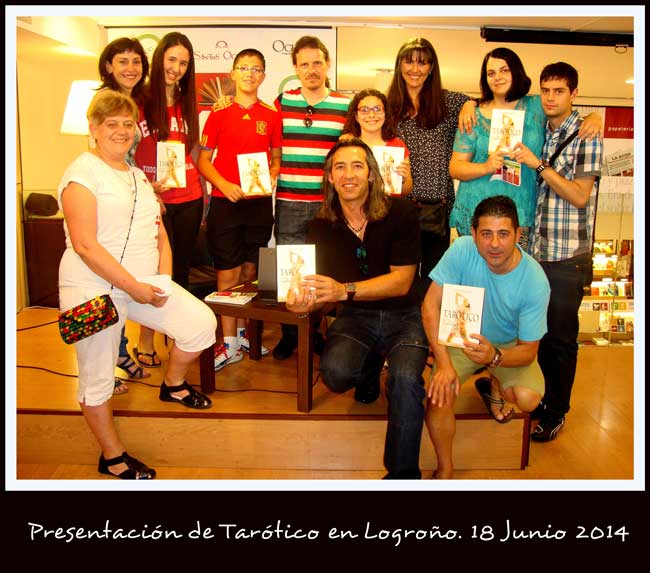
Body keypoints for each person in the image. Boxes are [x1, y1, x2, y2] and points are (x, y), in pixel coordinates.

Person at [57, 90, 216, 479]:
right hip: (93, 289)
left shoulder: (136, 175)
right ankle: (112, 457)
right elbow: (85, 245)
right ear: (94, 129)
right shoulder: (80, 175)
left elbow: (158, 230)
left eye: (128, 124)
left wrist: (163, 280)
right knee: (97, 378)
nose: (121, 130)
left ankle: (173, 385)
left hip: (142, 283)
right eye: (111, 123)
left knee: (200, 324)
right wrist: (133, 287)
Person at [285, 138, 429, 479]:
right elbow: (322, 290)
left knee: (405, 379)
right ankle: (370, 365)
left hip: (405, 315)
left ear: (371, 175)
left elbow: (402, 282)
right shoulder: (320, 225)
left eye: (357, 166)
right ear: (330, 178)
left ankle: (403, 475)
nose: (348, 175)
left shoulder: (402, 213)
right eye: (340, 167)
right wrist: (300, 303)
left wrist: (344, 290)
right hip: (356, 316)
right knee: (334, 374)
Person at [422, 195, 550, 479]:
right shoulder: (461, 250)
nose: (494, 244)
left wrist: (494, 357)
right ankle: (445, 468)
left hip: (505, 346)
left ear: (518, 234)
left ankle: (494, 382)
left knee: (527, 398)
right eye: (486, 234)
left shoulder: (535, 280)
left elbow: (529, 350)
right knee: (439, 396)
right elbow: (430, 306)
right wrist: (443, 363)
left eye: (503, 234)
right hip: (462, 337)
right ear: (473, 232)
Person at [512, 62, 603, 442]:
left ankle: (556, 411)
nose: (550, 98)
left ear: (574, 94)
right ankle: (539, 400)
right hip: (536, 253)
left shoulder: (587, 135)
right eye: (546, 90)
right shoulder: (540, 129)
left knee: (561, 340)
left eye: (559, 91)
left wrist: (540, 166)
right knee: (535, 333)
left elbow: (580, 196)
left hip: (567, 256)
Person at [450, 47, 602, 251]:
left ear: (516, 71)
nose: (497, 77)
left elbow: (564, 112)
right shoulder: (473, 116)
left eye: (504, 70)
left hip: (519, 214)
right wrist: (486, 166)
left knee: (513, 269)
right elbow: (455, 168)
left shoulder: (536, 106)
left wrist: (594, 117)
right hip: (476, 210)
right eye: (491, 73)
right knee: (474, 270)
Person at [198, 48, 281, 371]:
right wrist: (224, 184)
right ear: (233, 73)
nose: (249, 74)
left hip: (258, 203)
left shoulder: (271, 114)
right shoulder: (218, 113)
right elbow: (203, 160)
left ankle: (244, 333)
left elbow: (276, 157)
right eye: (243, 68)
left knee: (250, 273)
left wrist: (271, 175)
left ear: (263, 76)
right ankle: (229, 342)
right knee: (227, 273)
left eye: (256, 69)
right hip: (225, 202)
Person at [271, 35, 350, 360]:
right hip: (289, 201)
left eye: (317, 62)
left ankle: (315, 331)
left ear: (327, 64)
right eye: (304, 64)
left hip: (327, 204)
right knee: (290, 271)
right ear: (295, 68)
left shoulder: (345, 106)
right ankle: (290, 334)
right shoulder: (281, 103)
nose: (311, 69)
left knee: (324, 269)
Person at [134, 32, 205, 369]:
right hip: (153, 200)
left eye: (184, 63)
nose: (177, 68)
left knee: (182, 271)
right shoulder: (139, 99)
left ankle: (181, 336)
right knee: (153, 273)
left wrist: (203, 193)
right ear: (159, 58)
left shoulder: (189, 102)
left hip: (189, 197)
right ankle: (145, 340)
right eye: (172, 59)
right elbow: (128, 153)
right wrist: (146, 190)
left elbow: (194, 151)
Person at [386, 37, 470, 298]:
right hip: (397, 206)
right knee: (400, 278)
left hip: (437, 207)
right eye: (409, 62)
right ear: (399, 65)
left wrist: (470, 105)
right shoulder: (387, 105)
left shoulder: (449, 102)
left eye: (422, 63)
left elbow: (481, 104)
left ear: (432, 67)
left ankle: (428, 323)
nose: (415, 69)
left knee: (434, 282)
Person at [96, 37, 152, 392]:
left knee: (120, 281)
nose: (130, 68)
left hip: (129, 195)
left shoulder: (139, 101)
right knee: (107, 284)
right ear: (108, 65)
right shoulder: (104, 100)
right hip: (108, 199)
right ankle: (105, 367)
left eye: (136, 61)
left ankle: (118, 352)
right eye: (123, 61)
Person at [340, 88, 412, 195]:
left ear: (385, 113)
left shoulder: (397, 145)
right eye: (364, 110)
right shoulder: (347, 144)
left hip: (389, 203)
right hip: (355, 203)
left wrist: (403, 179)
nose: (371, 115)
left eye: (377, 109)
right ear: (356, 116)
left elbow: (406, 190)